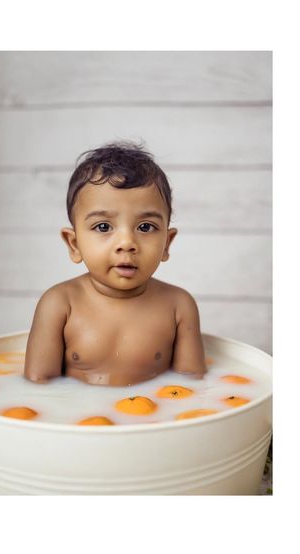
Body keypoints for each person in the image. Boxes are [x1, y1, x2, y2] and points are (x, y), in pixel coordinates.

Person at [24, 141, 207, 386]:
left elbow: (191, 386)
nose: (127, 243)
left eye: (145, 227)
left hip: (153, 420)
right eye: (103, 227)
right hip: (79, 420)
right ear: (74, 244)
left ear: (166, 243)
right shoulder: (59, 304)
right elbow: (38, 387)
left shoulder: (178, 306)